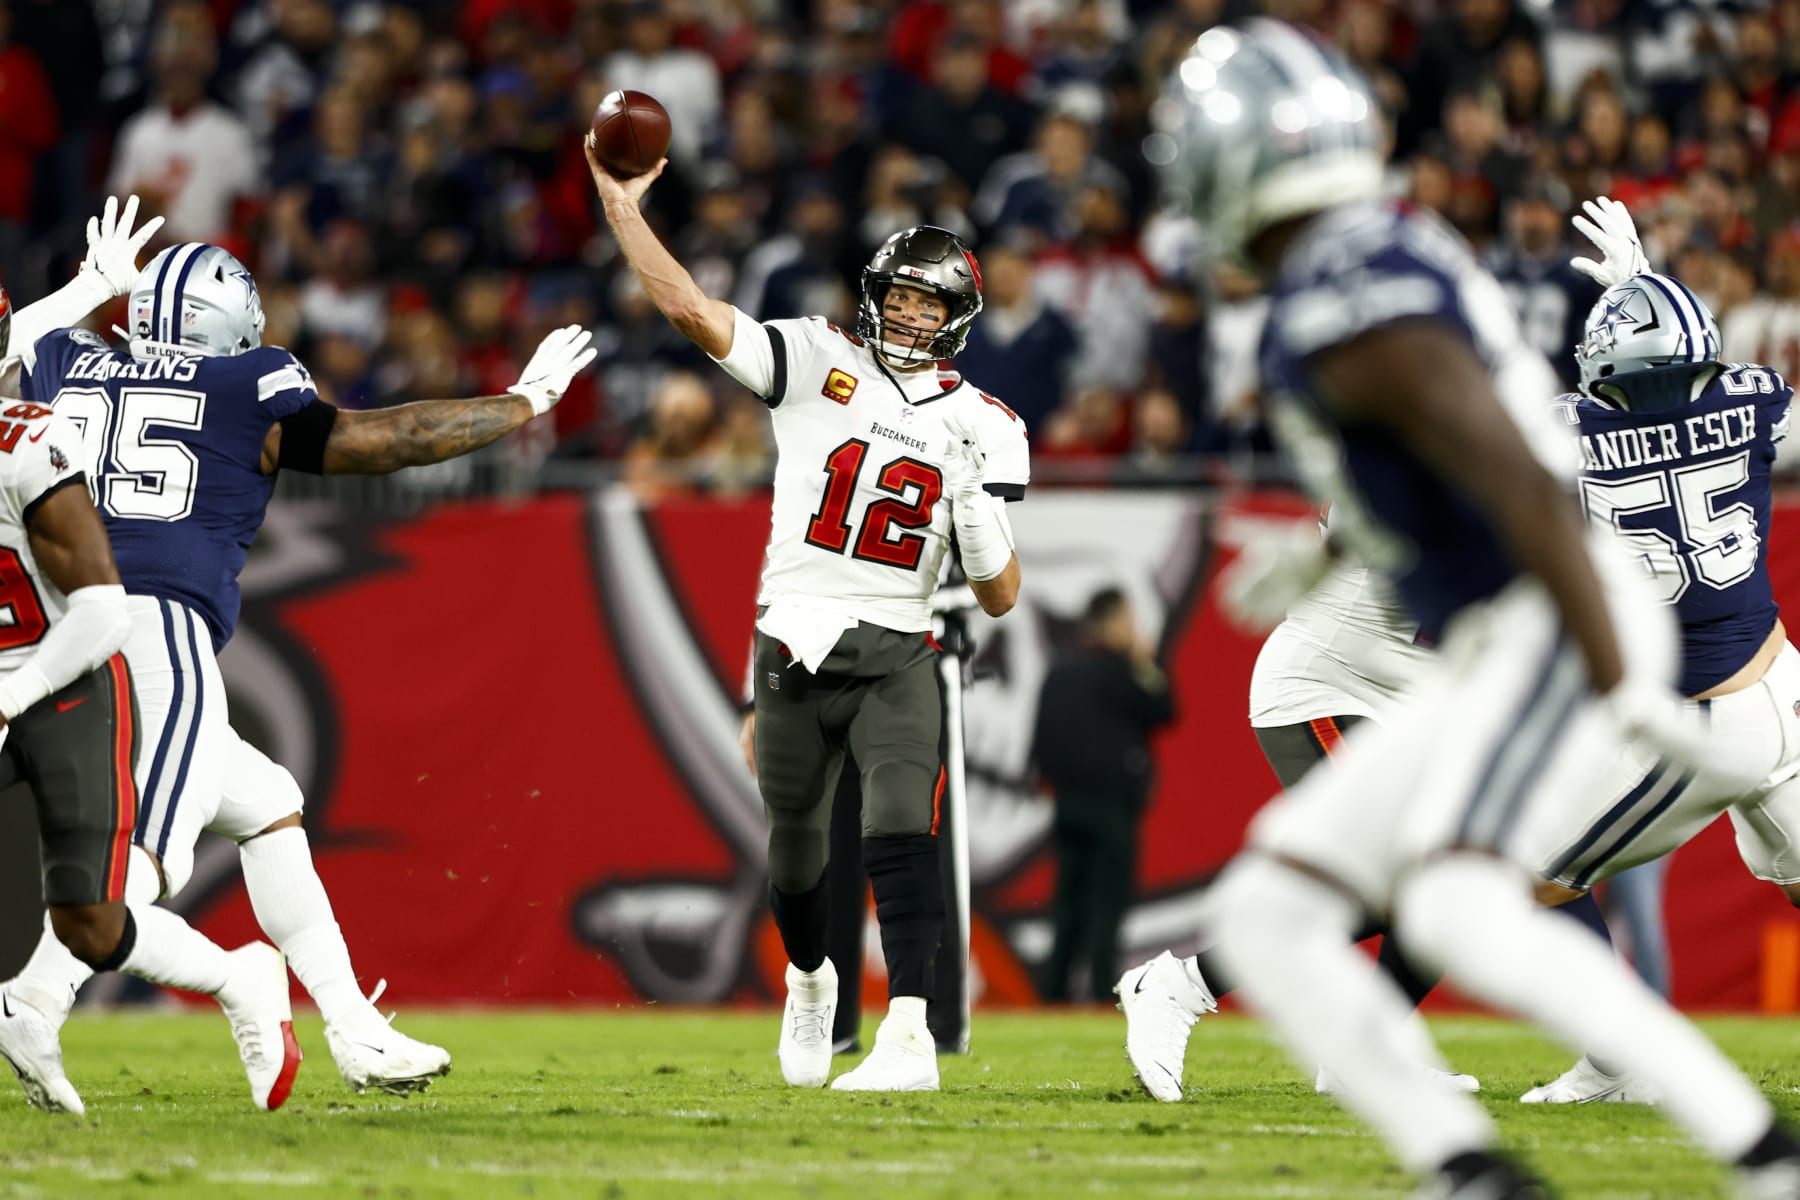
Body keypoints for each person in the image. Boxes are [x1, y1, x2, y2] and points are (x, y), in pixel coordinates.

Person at [1154, 21, 1800, 1196]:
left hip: (1542, 626)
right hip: (1531, 621)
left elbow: (1508, 470)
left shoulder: (1349, 289)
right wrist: (1335, 558)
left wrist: (1613, 677)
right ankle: (1476, 1169)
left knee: (1466, 898)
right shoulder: (1385, 249)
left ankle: (1753, 1154)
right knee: (1272, 913)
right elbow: (1463, 453)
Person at [0, 224, 597, 1113]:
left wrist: (85, 290)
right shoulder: (251, 380)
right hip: (153, 632)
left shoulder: (60, 360)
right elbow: (384, 440)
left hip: (61, 624)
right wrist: (522, 402)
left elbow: (19, 344)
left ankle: (354, 1027)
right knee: (140, 862)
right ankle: (32, 1002)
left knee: (268, 801)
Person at [590, 141, 1028, 1092]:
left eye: (929, 303)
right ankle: (810, 982)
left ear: (956, 319)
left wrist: (971, 508)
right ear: (875, 295)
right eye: (900, 296)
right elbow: (690, 310)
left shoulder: (988, 423)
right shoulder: (815, 356)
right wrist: (625, 211)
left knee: (902, 832)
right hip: (792, 636)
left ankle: (907, 1039)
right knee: (795, 849)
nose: (910, 314)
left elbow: (999, 595)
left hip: (900, 641)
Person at [1033, 587, 1174, 1003]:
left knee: (1068, 905)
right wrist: (1145, 662)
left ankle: (1053, 996)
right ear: (1112, 624)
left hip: (1067, 805)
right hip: (1111, 808)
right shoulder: (1122, 671)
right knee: (1108, 906)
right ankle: (1100, 994)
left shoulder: (1060, 670)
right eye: (1128, 621)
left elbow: (1039, 742)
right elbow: (1165, 708)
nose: (1133, 630)